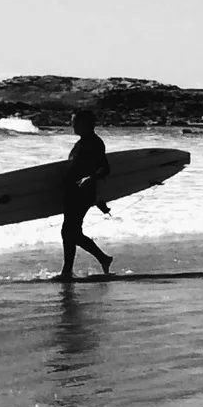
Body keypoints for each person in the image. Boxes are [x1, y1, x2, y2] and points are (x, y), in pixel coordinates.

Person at [59, 109, 113, 279]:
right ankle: (100, 259)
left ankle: (69, 270)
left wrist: (90, 179)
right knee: (70, 231)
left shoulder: (94, 143)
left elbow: (105, 168)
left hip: (82, 193)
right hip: (73, 192)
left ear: (85, 123)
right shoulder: (82, 142)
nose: (72, 125)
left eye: (75, 122)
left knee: (70, 231)